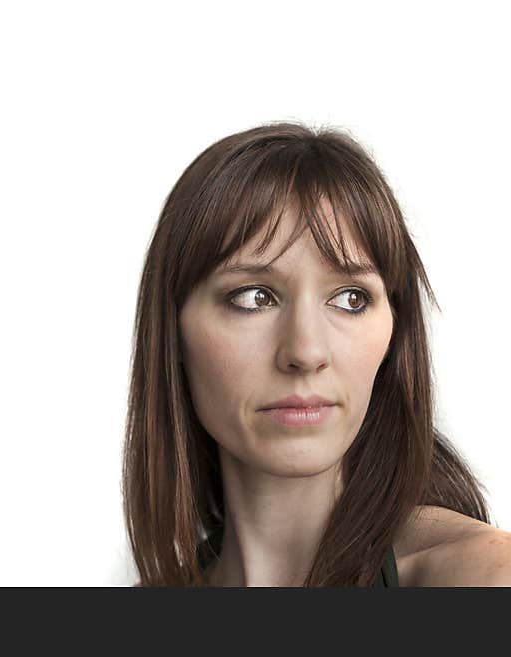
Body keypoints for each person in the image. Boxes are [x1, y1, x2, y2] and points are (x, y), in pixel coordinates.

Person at [122, 122, 511, 586]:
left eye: (350, 299)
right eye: (253, 297)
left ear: (393, 333)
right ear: (173, 333)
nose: (305, 352)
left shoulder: (479, 575)